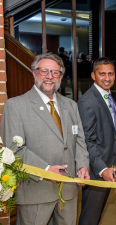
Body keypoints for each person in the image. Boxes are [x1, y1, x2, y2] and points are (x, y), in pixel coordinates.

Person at [0, 53, 90, 225]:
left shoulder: (71, 105)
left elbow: (79, 140)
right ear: (34, 73)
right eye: (44, 71)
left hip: (69, 191)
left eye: (55, 72)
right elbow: (14, 150)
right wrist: (46, 168)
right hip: (36, 192)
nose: (50, 76)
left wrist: (83, 165)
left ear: (61, 77)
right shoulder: (16, 106)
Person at [77, 57, 116, 225]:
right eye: (102, 74)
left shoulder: (108, 96)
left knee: (96, 215)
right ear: (93, 76)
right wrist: (102, 168)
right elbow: (87, 141)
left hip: (108, 164)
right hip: (96, 170)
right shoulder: (88, 102)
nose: (107, 78)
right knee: (89, 217)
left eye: (111, 73)